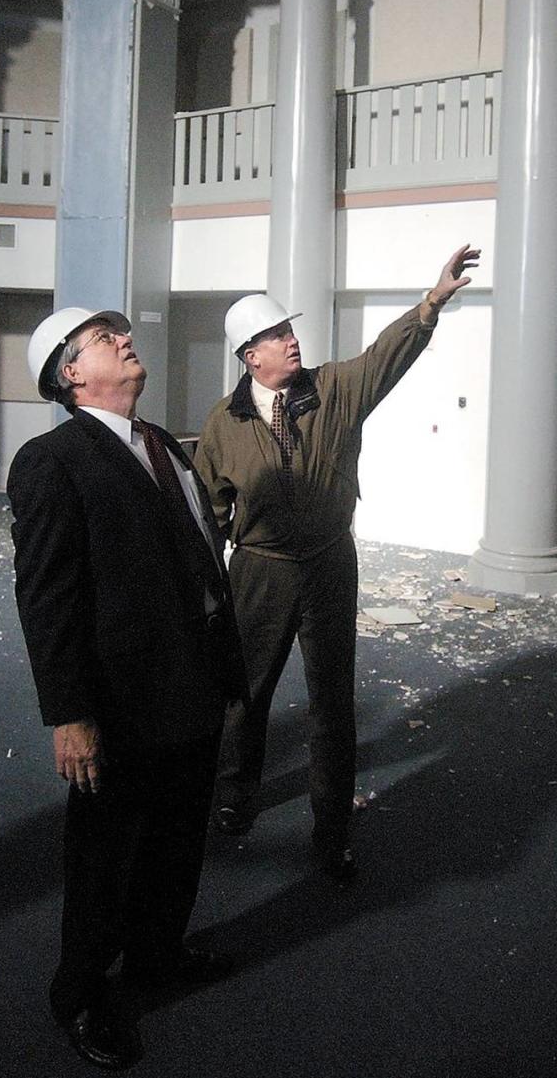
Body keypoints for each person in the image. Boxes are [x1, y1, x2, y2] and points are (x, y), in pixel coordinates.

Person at [8, 306, 247, 1070]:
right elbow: (48, 599)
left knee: (178, 843)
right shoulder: (53, 460)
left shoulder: (160, 443)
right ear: (71, 373)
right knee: (107, 859)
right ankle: (78, 992)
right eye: (104, 338)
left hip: (193, 683)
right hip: (121, 702)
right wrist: (70, 714)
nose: (123, 339)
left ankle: (156, 957)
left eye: (119, 331)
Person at [195, 245, 479, 880]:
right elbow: (211, 516)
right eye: (276, 336)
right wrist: (209, 597)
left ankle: (332, 832)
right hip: (260, 573)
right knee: (245, 698)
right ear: (250, 356)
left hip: (328, 565)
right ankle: (235, 799)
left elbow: (385, 356)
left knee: (332, 703)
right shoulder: (223, 422)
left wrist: (431, 303)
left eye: (290, 331)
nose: (291, 342)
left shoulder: (334, 389)